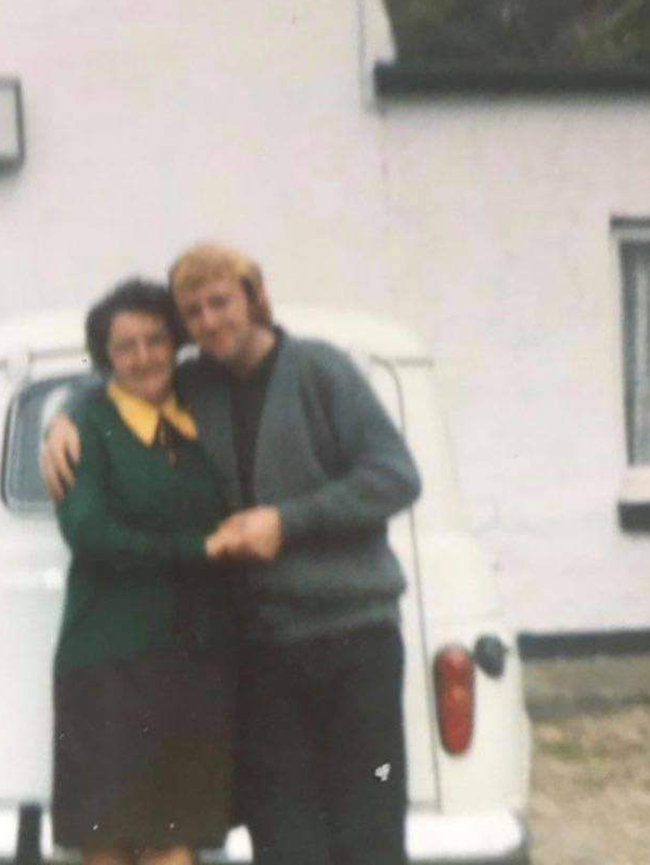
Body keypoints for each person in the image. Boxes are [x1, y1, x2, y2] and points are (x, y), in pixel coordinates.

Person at [42, 243, 422, 865]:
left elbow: (396, 476)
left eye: (220, 301)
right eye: (193, 311)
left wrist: (288, 522)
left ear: (255, 297)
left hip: (353, 637)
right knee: (284, 836)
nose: (210, 320)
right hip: (263, 647)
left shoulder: (323, 370)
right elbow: (122, 383)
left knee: (369, 827)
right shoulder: (197, 385)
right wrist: (68, 414)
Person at [50, 279, 236, 865]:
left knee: (172, 838)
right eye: (125, 346)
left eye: (155, 340)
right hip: (110, 663)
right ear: (105, 357)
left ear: (175, 343)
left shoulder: (199, 417)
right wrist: (200, 549)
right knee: (109, 838)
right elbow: (90, 533)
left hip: (188, 662)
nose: (143, 356)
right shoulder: (88, 427)